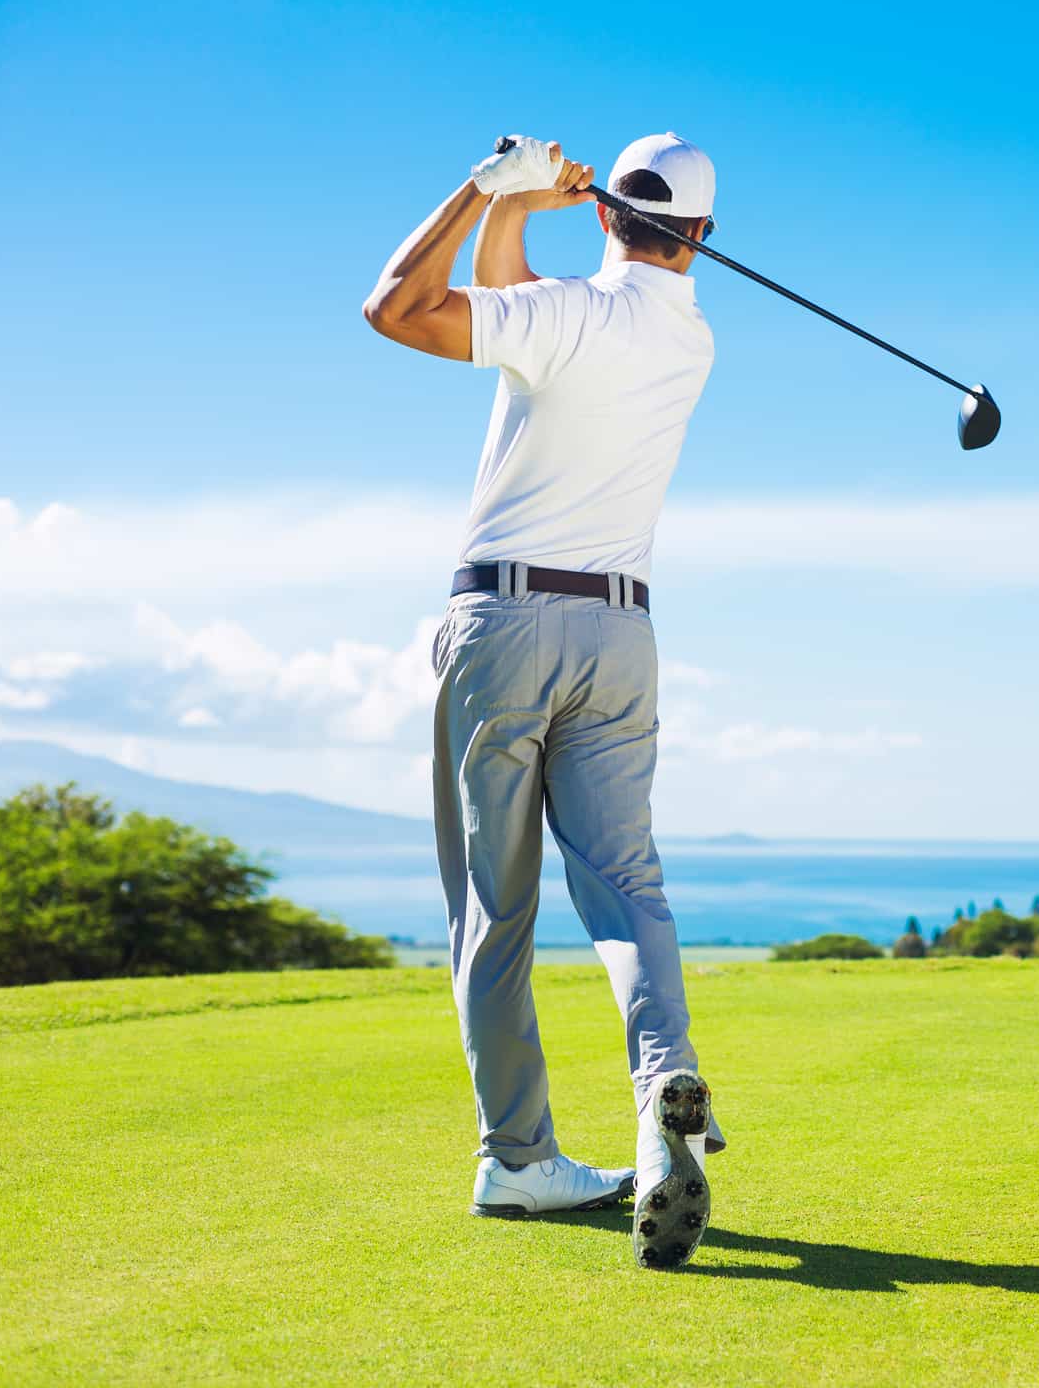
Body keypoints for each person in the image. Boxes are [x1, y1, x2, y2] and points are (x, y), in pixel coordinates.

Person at [361, 131, 725, 1270]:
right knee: (626, 883)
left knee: (494, 909)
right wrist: (528, 209)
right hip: (621, 633)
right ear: (702, 234)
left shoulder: (568, 310)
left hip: (506, 625)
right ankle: (661, 1078)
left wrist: (486, 184)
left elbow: (396, 308)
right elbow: (520, 314)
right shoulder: (688, 336)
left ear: (609, 213)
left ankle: (518, 1157)